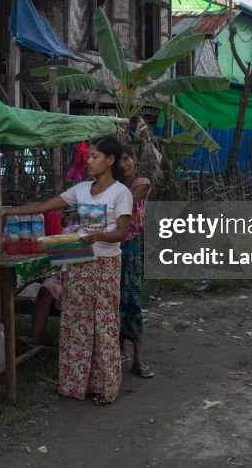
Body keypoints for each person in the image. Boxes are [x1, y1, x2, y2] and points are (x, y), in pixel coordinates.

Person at [3, 136, 132, 405]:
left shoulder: (122, 193)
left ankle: (104, 388)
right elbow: (45, 205)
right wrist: (6, 212)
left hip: (105, 265)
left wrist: (96, 237)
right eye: (90, 156)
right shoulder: (82, 189)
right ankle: (74, 385)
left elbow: (121, 232)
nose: (90, 161)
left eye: (95, 156)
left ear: (110, 160)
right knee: (76, 325)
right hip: (77, 263)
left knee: (103, 325)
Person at [119, 146, 153, 378]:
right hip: (112, 246)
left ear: (134, 160)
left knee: (132, 297)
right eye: (119, 160)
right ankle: (119, 352)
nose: (124, 164)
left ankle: (138, 360)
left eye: (126, 159)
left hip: (130, 247)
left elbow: (127, 201)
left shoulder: (141, 183)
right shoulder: (114, 185)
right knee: (115, 300)